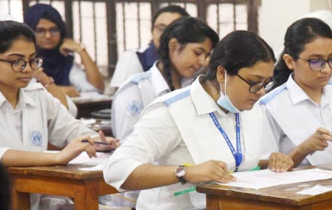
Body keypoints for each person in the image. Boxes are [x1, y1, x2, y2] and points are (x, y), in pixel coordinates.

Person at [104, 30, 293, 210]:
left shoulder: (250, 107)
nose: (260, 92)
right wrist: (186, 173)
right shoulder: (173, 110)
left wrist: (269, 163)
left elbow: (235, 165)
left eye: (266, 83)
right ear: (221, 74)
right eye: (254, 82)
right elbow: (116, 169)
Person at [0, 20, 118, 210]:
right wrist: (56, 158)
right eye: (17, 61)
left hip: (43, 201)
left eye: (32, 60)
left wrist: (96, 141)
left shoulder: (37, 94)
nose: (28, 69)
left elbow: (70, 128)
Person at [260, 18, 332, 168]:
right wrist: (302, 150)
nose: (327, 69)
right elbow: (265, 168)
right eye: (316, 61)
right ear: (290, 61)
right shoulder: (271, 106)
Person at [112, 16, 219, 142]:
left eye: (206, 55)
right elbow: (126, 147)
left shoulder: (191, 88)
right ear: (173, 46)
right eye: (197, 53)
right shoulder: (136, 90)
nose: (202, 62)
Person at [24, 4, 105, 97]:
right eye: (40, 31)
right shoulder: (23, 60)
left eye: (53, 30)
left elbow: (97, 88)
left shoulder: (64, 61)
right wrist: (55, 90)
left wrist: (81, 50)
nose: (48, 36)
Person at [110, 5, 190, 89]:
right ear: (152, 31)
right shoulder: (135, 57)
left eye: (174, 30)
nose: (166, 35)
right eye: (161, 29)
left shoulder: (194, 61)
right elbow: (123, 97)